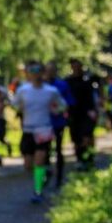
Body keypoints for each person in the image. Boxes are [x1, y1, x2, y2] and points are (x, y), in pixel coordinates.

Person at [13, 60, 67, 203]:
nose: (35, 75)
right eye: (32, 72)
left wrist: (55, 110)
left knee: (39, 161)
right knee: (28, 165)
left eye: (38, 72)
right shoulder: (23, 90)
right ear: (28, 74)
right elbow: (15, 104)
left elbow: (62, 105)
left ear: (43, 73)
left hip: (44, 129)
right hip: (28, 130)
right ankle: (45, 173)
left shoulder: (51, 91)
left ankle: (38, 191)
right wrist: (19, 108)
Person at [65, 58, 101, 170]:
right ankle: (80, 159)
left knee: (87, 136)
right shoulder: (67, 81)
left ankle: (89, 158)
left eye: (78, 66)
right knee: (76, 139)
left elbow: (98, 92)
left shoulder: (89, 79)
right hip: (73, 114)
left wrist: (96, 109)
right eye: (74, 66)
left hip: (88, 113)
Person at [44, 60, 75, 188]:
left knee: (58, 149)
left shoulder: (62, 85)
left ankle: (59, 177)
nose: (50, 73)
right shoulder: (41, 86)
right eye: (47, 70)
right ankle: (47, 173)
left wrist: (62, 109)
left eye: (52, 70)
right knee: (44, 151)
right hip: (44, 123)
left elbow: (69, 102)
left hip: (58, 122)